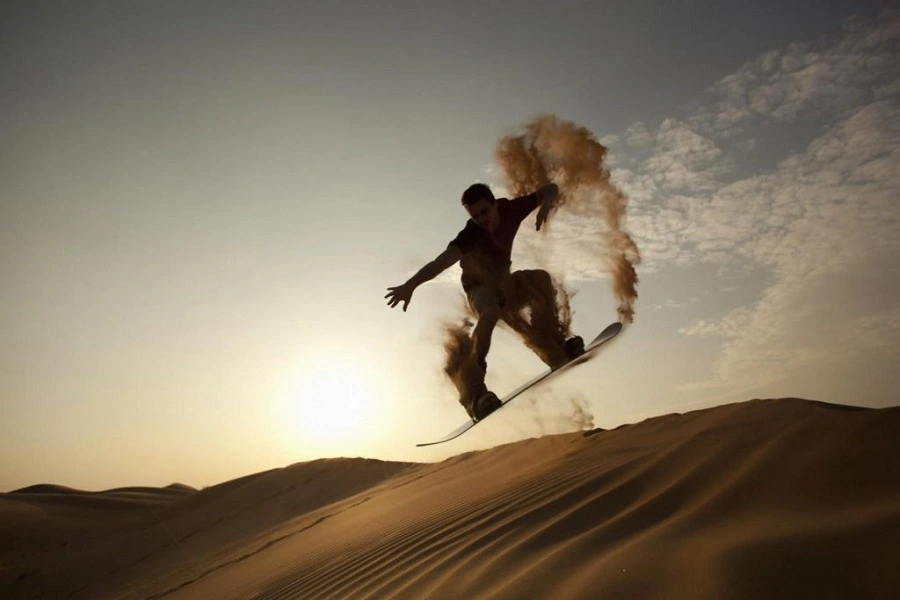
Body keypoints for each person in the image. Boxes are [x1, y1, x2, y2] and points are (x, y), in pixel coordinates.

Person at [385, 182, 584, 422]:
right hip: (479, 291)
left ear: (494, 204)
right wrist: (411, 285)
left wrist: (546, 204)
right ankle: (474, 394)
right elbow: (440, 263)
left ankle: (554, 347)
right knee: (489, 312)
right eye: (474, 215)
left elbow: (550, 188)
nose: (481, 219)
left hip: (505, 285)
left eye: (484, 212)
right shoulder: (470, 235)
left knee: (541, 279)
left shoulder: (512, 209)